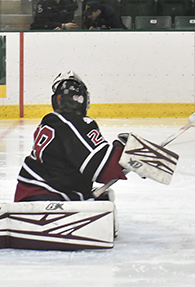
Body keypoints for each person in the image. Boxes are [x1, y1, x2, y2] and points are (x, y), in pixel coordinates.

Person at [14, 72, 126, 202]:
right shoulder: (73, 124)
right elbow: (105, 169)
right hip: (46, 197)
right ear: (82, 100)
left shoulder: (51, 122)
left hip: (30, 194)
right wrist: (124, 152)